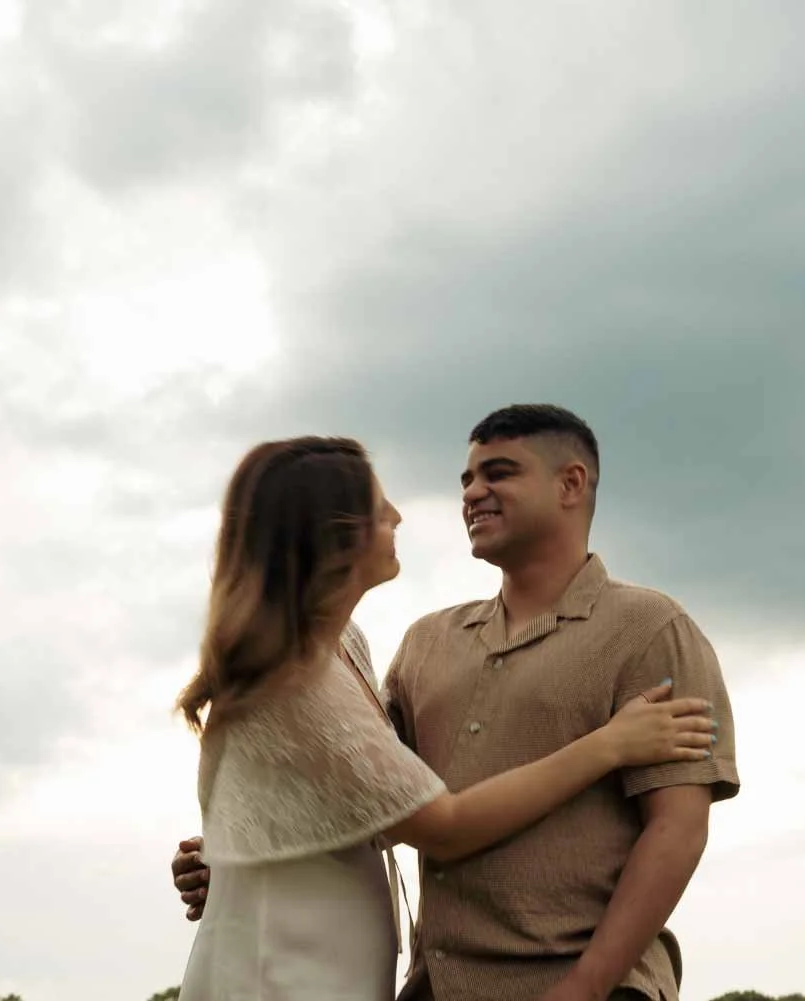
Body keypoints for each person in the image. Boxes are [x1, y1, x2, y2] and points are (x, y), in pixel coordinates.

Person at [173, 407, 741, 1000]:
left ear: (571, 484)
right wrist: (249, 856)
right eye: (466, 479)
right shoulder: (424, 643)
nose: (472, 493)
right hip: (430, 989)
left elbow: (677, 829)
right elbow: (374, 802)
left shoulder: (652, 628)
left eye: (498, 473)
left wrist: (586, 987)